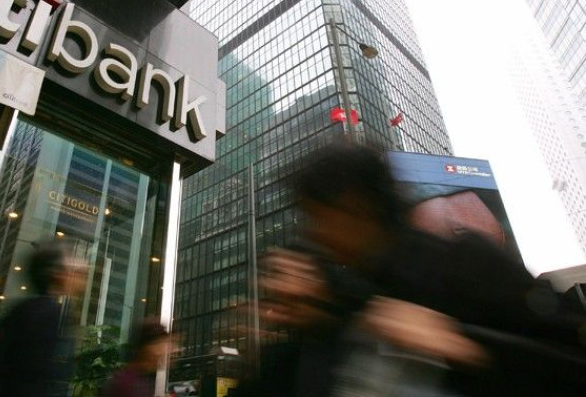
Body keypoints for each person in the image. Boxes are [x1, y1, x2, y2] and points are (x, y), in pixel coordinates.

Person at [247, 142, 586, 396]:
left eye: (317, 216)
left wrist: (460, 344)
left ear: (355, 208)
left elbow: (570, 366)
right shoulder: (356, 294)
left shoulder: (465, 262)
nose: (312, 232)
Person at [0, 241, 87, 396]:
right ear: (57, 273)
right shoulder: (48, 314)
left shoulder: (25, 309)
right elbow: (36, 379)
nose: (80, 266)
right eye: (71, 260)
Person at [102, 318, 175, 397]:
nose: (168, 351)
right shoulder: (127, 385)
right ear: (147, 348)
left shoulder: (139, 380)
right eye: (161, 345)